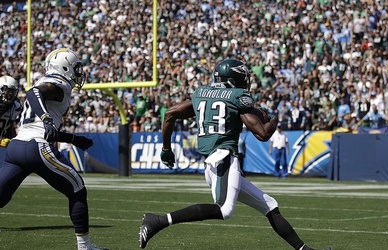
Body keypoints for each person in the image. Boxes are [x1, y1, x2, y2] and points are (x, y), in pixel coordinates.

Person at [139, 59, 331, 250]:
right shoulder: (236, 96)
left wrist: (166, 148)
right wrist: (275, 119)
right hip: (224, 159)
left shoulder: (201, 93)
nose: (246, 82)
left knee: (270, 205)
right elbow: (263, 134)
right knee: (225, 209)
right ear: (234, 79)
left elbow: (170, 113)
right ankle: (157, 221)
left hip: (214, 163)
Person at [0, 48, 108, 250]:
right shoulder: (59, 85)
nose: (79, 73)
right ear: (64, 67)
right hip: (37, 148)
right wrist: (47, 119)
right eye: (76, 68)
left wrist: (73, 139)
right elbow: (34, 94)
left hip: (16, 148)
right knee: (77, 189)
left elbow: (43, 128)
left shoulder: (47, 83)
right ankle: (85, 247)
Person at [0, 75, 22, 147]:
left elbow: (10, 127)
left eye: (12, 92)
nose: (10, 95)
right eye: (8, 92)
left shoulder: (14, 107)